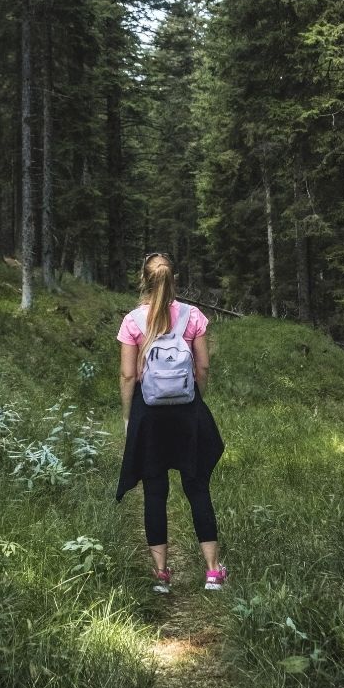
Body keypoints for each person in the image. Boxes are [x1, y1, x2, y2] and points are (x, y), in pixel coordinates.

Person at [116, 252, 226, 593]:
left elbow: (127, 375)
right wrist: (195, 397)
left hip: (150, 414)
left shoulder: (133, 321)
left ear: (144, 281)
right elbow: (203, 368)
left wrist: (127, 416)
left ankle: (162, 575)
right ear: (173, 279)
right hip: (186, 411)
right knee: (197, 487)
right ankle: (212, 572)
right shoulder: (193, 316)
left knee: (155, 492)